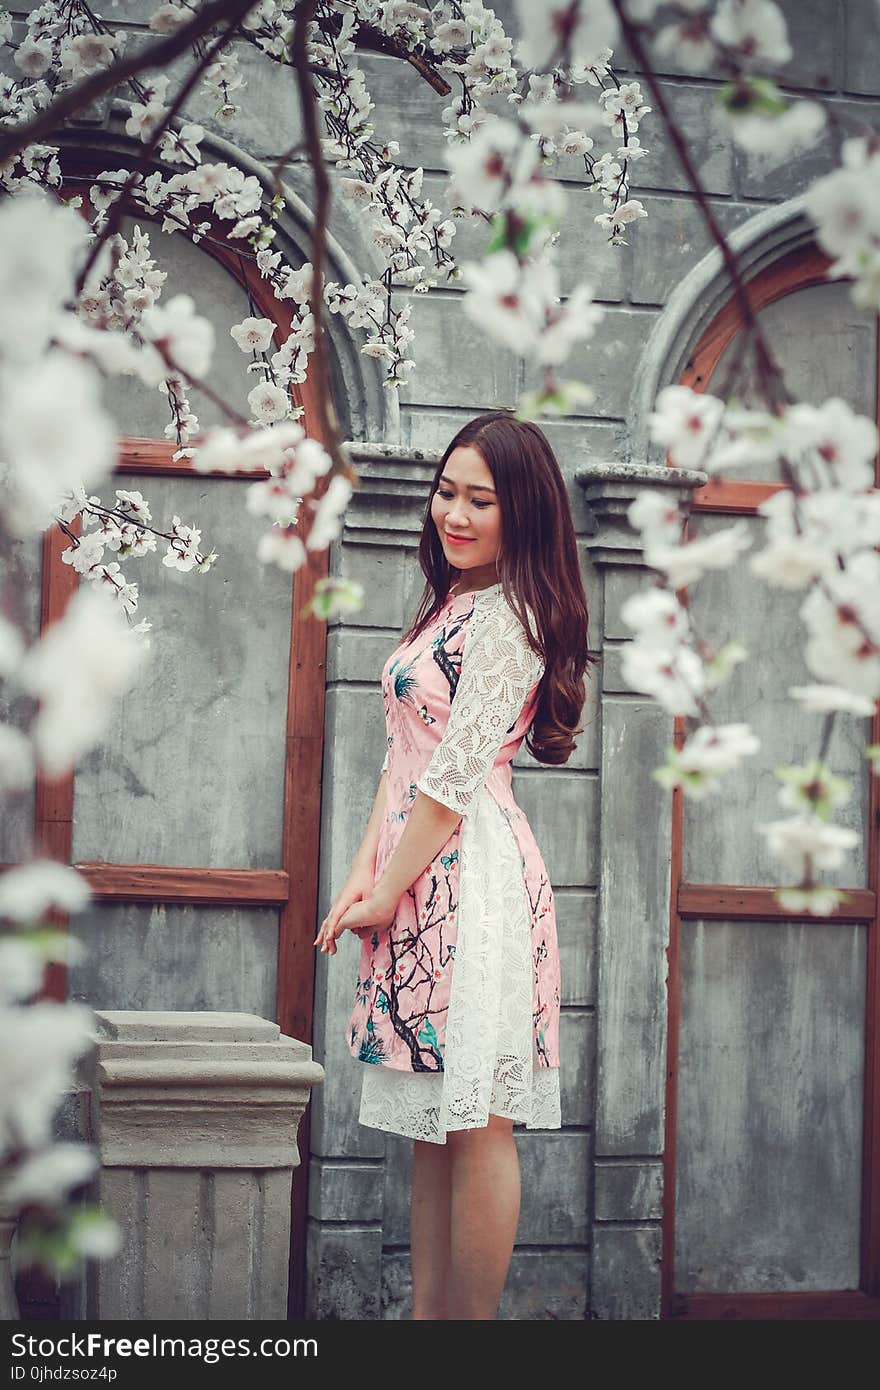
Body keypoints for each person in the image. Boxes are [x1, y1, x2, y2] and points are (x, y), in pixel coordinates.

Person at [313, 410, 593, 1320]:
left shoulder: (511, 619)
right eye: (447, 492)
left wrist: (385, 891)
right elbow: (400, 761)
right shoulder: (450, 606)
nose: (456, 514)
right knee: (435, 1122)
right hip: (418, 874)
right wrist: (366, 874)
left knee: (476, 1122)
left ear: (525, 512)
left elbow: (454, 780)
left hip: (472, 884)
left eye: (482, 498)